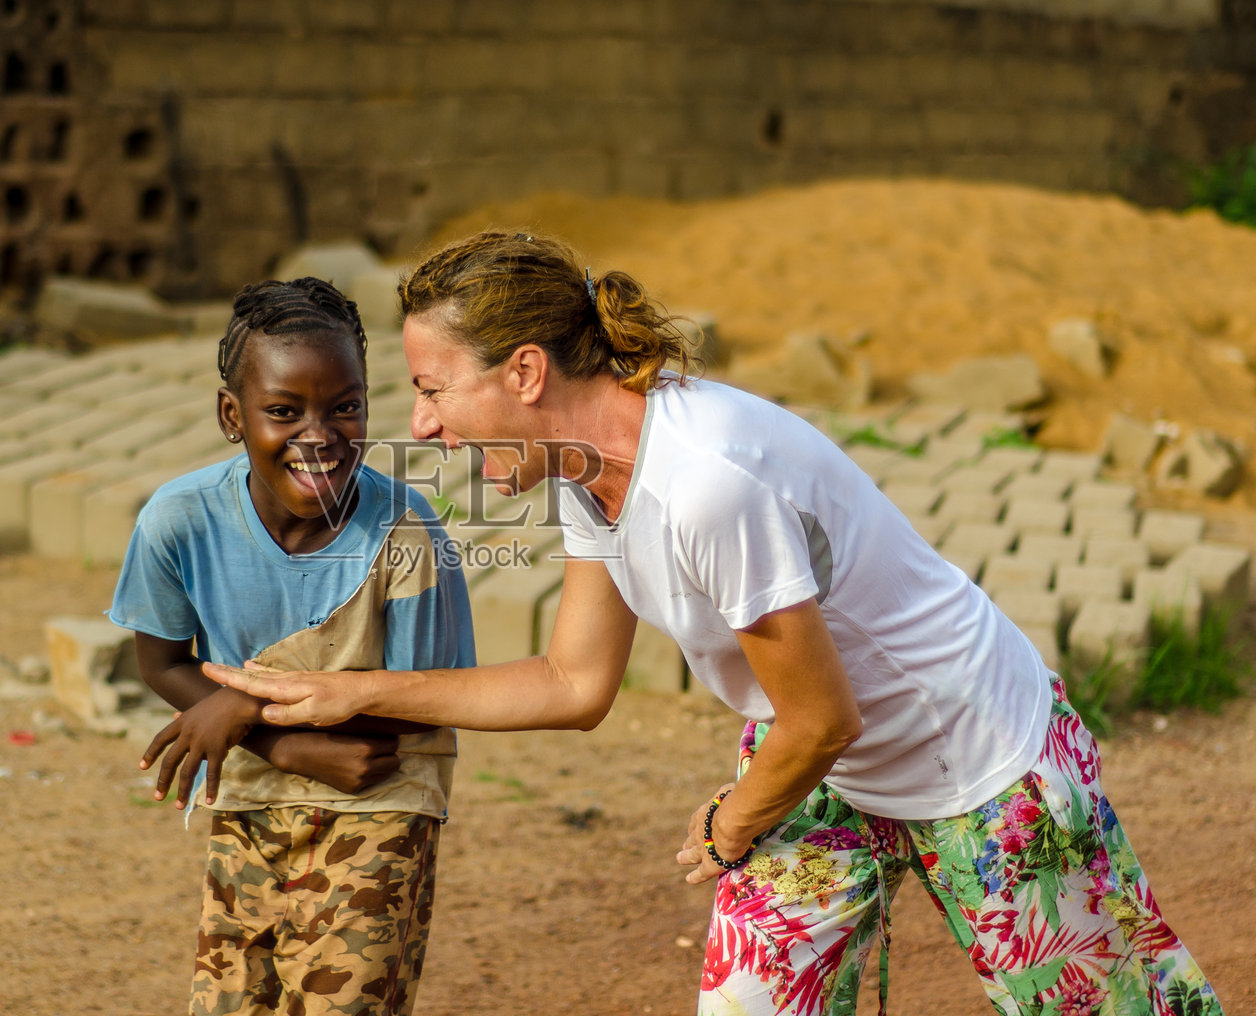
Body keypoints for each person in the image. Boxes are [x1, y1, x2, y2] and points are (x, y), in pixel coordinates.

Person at [202, 233, 1225, 1016]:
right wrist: (354, 688)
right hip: (812, 758)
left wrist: (728, 822)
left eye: (432, 389)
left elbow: (823, 716)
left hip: (975, 760)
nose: (418, 425)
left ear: (523, 373)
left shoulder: (703, 484)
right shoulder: (579, 468)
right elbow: (573, 681)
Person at [109, 277, 475, 1016]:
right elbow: (163, 662)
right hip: (253, 793)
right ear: (231, 416)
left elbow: (423, 701)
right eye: (284, 411)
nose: (321, 435)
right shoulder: (179, 522)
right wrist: (287, 749)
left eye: (346, 407)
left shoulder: (404, 528)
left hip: (381, 796)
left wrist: (241, 702)